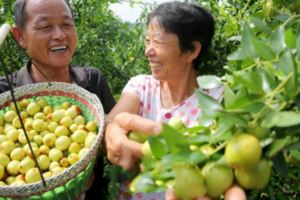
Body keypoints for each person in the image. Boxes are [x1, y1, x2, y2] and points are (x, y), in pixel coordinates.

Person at [105, 2, 247, 200]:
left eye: (158, 42)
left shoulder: (216, 99)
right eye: (147, 41)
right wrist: (113, 132)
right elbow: (110, 124)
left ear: (191, 51)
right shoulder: (141, 87)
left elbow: (230, 165)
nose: (148, 51)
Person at [0, 0, 115, 199]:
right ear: (20, 37)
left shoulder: (93, 80)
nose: (60, 35)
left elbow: (112, 144)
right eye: (45, 26)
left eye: (67, 24)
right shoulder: (5, 93)